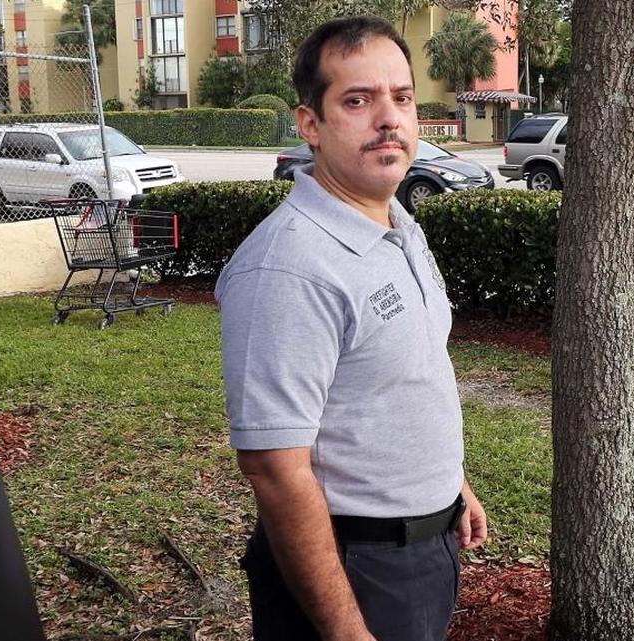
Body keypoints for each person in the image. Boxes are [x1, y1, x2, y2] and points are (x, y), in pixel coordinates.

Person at [214, 16, 487, 641]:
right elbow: (273, 468)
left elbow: (403, 378)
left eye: (402, 97)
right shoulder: (288, 266)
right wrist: (346, 631)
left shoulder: (397, 224)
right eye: (358, 100)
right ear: (311, 123)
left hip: (422, 545)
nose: (388, 118)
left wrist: (451, 488)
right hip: (354, 565)